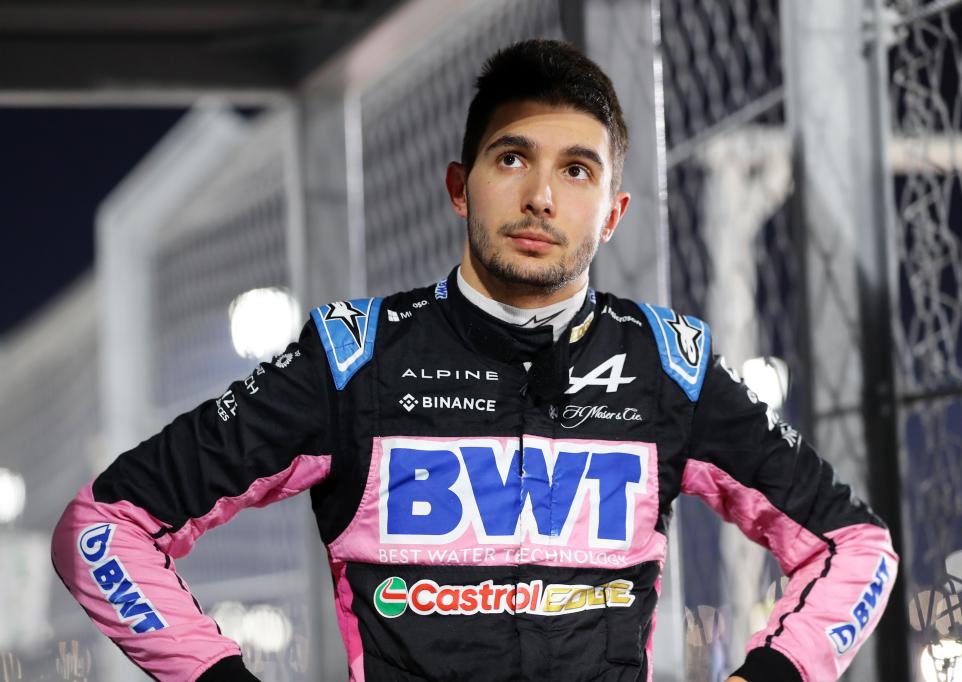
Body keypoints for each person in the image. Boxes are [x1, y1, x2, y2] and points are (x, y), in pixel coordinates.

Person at [52, 39, 897, 682]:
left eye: (576, 170)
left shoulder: (664, 366)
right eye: (511, 158)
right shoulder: (357, 356)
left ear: (612, 213)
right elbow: (102, 530)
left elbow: (857, 548)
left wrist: (773, 674)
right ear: (460, 186)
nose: (539, 195)